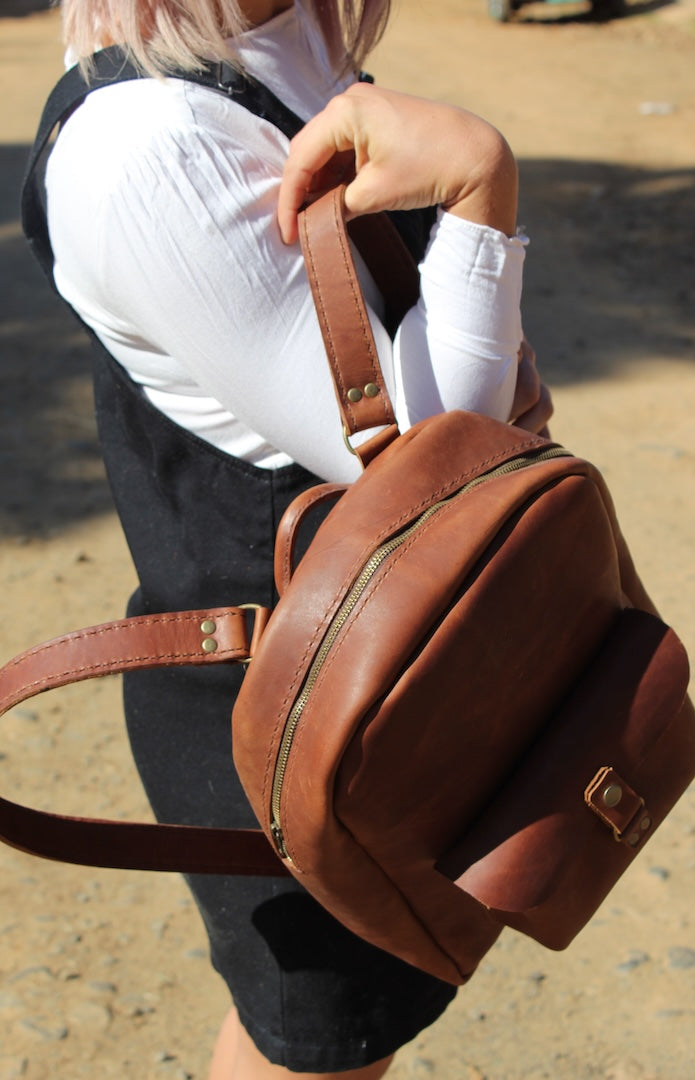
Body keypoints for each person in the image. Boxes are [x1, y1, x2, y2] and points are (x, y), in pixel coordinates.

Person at [35, 1, 552, 1077]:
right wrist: (477, 184)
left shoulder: (272, 36)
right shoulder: (146, 150)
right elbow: (434, 469)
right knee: (320, 1049)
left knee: (332, 1041)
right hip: (305, 741)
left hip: (391, 683)